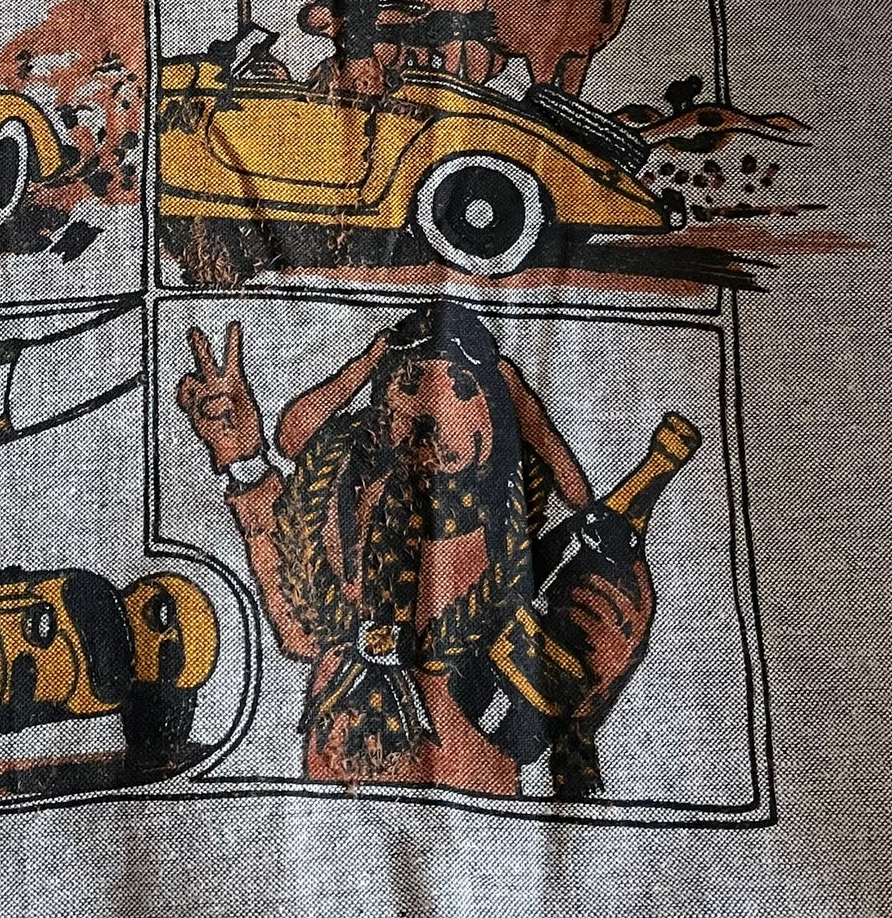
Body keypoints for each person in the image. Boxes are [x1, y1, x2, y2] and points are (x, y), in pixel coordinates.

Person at [176, 301, 651, 797]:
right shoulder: (351, 498)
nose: (430, 409)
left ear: (495, 415)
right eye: (409, 381)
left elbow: (582, 671)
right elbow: (300, 630)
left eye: (461, 388)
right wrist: (243, 461)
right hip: (332, 785)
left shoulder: (531, 535)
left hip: (473, 805)